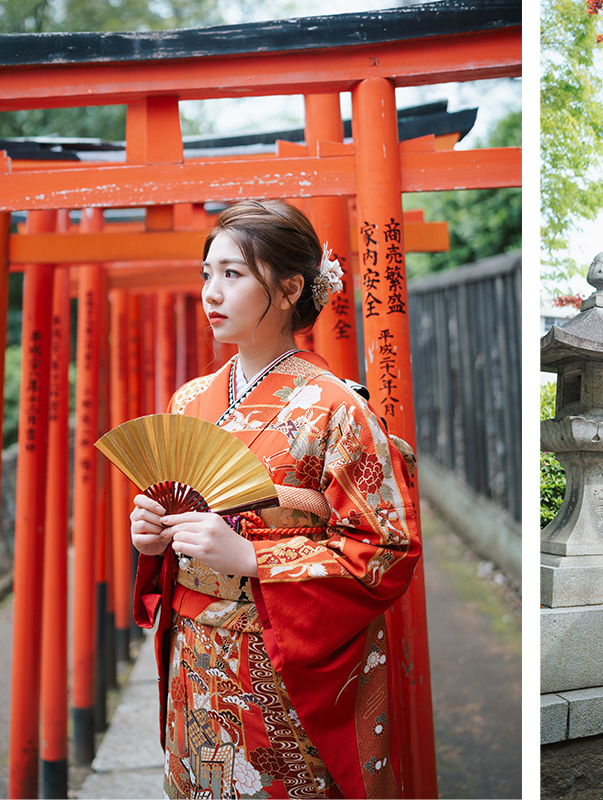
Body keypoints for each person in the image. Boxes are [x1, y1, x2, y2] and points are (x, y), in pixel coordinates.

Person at [128, 199, 420, 799]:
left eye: (232, 274)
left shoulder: (337, 408)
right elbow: (180, 525)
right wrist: (154, 535)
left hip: (280, 658)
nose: (212, 291)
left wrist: (253, 559)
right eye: (207, 273)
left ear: (289, 289)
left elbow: (385, 552)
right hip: (196, 654)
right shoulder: (189, 402)